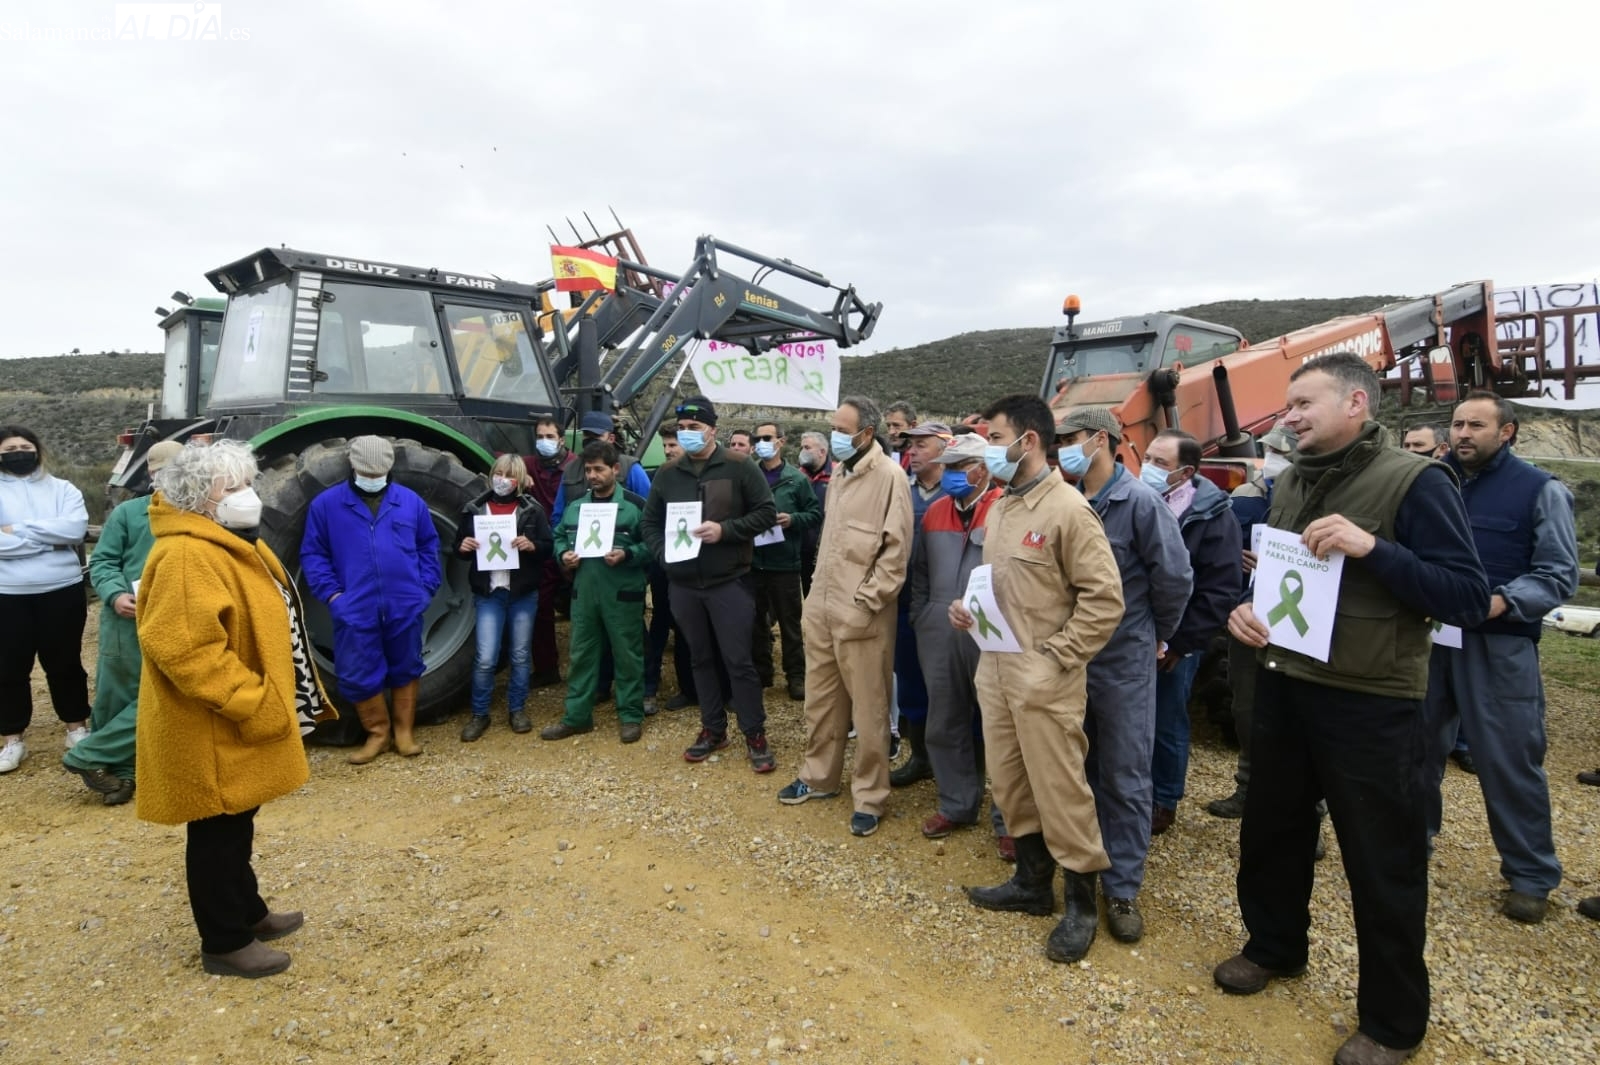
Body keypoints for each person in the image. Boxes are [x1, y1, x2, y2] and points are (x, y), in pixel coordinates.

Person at [1214, 353, 1488, 1065]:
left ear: (1356, 404)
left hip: (1370, 701)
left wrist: (1373, 548)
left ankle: (1393, 1021)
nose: (1291, 414)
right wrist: (1248, 613)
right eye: (1288, 403)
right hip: (1284, 684)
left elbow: (1462, 594)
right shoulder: (1290, 481)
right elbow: (1284, 583)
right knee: (1271, 830)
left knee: (1381, 860)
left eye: (1305, 401)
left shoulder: (1415, 481)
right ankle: (1274, 946)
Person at [136, 440, 335, 978]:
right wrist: (251, 699)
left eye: (248, 483)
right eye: (234, 487)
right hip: (213, 723)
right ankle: (224, 941)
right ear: (202, 499)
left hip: (229, 723)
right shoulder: (185, 555)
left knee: (237, 820)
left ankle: (249, 911)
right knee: (217, 833)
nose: (248, 495)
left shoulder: (223, 539)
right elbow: (185, 649)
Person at [954, 393, 1124, 965]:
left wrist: (1058, 656)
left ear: (1029, 441)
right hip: (995, 669)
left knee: (1061, 788)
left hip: (1045, 676)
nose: (988, 450)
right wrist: (969, 611)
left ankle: (1079, 901)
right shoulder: (1001, 506)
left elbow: (1104, 601)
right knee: (1009, 780)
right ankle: (1031, 885)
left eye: (996, 438)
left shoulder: (1069, 511)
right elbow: (1004, 587)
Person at [1422, 391, 1577, 924]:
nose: (1463, 434)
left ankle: (1530, 874)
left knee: (1509, 758)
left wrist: (1500, 602)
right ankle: (1409, 848)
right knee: (1413, 750)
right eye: (1458, 424)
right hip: (1429, 638)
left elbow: (1559, 574)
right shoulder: (1430, 480)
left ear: (1505, 432)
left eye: (1477, 426)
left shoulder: (1540, 490)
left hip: (1499, 642)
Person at [1055, 407, 1192, 944]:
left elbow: (1174, 577)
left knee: (1125, 771)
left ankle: (1123, 886)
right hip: (1069, 654)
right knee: (1074, 766)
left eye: (1069, 438)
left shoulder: (1138, 502)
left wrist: (1155, 634)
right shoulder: (1065, 501)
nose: (1061, 446)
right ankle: (1079, 870)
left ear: (1101, 441)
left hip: (1122, 657)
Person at [777, 396, 913, 837]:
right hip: (823, 607)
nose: (835, 436)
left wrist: (867, 601)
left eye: (842, 428)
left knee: (870, 711)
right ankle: (820, 776)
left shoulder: (890, 478)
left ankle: (870, 796)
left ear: (866, 434)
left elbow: (895, 553)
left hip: (863, 615)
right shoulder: (839, 473)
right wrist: (817, 600)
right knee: (821, 700)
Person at [641, 395, 778, 771]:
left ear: (712, 430)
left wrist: (726, 530)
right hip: (684, 584)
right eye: (681, 429)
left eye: (694, 429)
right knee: (700, 658)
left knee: (739, 661)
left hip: (729, 582)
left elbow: (765, 512)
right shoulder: (668, 474)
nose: (686, 435)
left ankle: (755, 733)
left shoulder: (739, 466)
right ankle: (712, 728)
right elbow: (650, 522)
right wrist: (662, 553)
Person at [300, 435, 441, 764]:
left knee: (407, 665)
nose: (373, 478)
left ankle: (404, 732)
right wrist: (334, 597)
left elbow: (428, 547)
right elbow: (314, 554)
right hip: (354, 606)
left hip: (404, 602)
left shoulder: (410, 502)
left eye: (379, 473)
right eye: (367, 471)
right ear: (353, 465)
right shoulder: (327, 505)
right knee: (358, 671)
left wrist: (425, 589)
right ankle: (378, 733)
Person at [62, 440, 184, 803]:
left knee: (165, 694)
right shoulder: (129, 514)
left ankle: (91, 755)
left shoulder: (200, 514)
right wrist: (115, 595)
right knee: (119, 694)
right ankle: (124, 771)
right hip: (127, 618)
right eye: (167, 471)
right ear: (151, 472)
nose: (175, 479)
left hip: (176, 618)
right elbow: (102, 562)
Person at [1145, 429, 1242, 833]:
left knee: (1167, 718)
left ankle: (1164, 798)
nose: (1147, 469)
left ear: (1185, 473)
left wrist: (1179, 644)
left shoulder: (1213, 515)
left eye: (1159, 464)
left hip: (1174, 643)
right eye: (1146, 458)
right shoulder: (1139, 501)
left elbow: (1219, 590)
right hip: (1133, 634)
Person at [908, 433, 1004, 840]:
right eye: (946, 466)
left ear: (982, 469)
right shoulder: (934, 512)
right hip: (939, 627)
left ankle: (1011, 820)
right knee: (944, 719)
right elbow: (921, 572)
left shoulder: (1005, 508)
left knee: (1002, 726)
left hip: (994, 630)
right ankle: (957, 804)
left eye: (957, 466)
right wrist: (922, 615)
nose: (948, 474)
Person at [1207, 422, 1296, 819]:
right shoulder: (1245, 497)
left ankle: (1306, 806)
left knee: (1298, 715)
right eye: (1273, 451)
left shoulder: (1324, 499)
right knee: (1246, 707)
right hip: (1248, 616)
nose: (1276, 459)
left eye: (1285, 453)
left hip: (1297, 621)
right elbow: (1228, 549)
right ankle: (1248, 787)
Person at [545, 442, 651, 743]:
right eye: (588, 470)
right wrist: (563, 555)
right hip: (585, 593)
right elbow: (559, 537)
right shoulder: (576, 506)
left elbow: (654, 545)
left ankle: (630, 715)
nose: (592, 475)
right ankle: (576, 717)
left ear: (615, 470)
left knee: (628, 655)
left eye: (599, 469)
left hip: (623, 593)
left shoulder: (634, 505)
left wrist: (628, 555)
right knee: (581, 655)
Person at [0, 426, 91, 774]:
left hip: (61, 589)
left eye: (26, 446)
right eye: (10, 447)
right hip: (7, 595)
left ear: (37, 450)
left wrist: (14, 530)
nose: (19, 451)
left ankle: (76, 728)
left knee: (65, 662)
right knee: (9, 667)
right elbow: (59, 534)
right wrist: (45, 536)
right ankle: (12, 739)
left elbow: (72, 530)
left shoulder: (63, 489)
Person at [452, 454, 554, 742]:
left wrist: (532, 545)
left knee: (521, 655)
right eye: (498, 473)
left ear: (519, 479)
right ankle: (479, 713)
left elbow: (548, 547)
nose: (502, 479)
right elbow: (456, 547)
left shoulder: (531, 510)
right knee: (485, 657)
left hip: (522, 593)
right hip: (489, 593)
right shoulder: (474, 509)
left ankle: (517, 709)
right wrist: (464, 546)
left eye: (509, 475)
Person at [889, 422, 951, 789]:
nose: (912, 452)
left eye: (922, 446)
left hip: (945, 605)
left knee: (948, 686)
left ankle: (954, 762)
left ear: (945, 449)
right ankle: (921, 756)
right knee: (911, 681)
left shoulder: (959, 491)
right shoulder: (901, 491)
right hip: (904, 601)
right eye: (910, 446)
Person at [749, 421, 822, 702]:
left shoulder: (796, 479)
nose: (762, 442)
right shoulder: (749, 475)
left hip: (785, 565)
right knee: (756, 623)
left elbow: (814, 514)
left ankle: (796, 676)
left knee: (790, 626)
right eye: (758, 438)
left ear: (781, 441)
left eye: (767, 437)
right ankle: (761, 673)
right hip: (754, 564)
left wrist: (793, 520)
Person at [526, 416, 571, 689]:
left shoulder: (576, 466)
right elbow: (501, 462)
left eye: (549, 437)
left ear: (561, 439)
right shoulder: (528, 464)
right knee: (541, 607)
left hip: (570, 543)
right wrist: (520, 472)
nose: (544, 442)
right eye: (540, 437)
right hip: (543, 546)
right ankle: (546, 667)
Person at [550, 411, 651, 527]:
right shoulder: (570, 469)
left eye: (597, 435)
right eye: (587, 435)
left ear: (611, 438)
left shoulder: (630, 467)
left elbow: (649, 511)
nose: (591, 440)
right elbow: (558, 516)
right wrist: (563, 543)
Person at [797, 430, 832, 595]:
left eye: (807, 447)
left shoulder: (837, 476)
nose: (802, 452)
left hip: (828, 552)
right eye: (801, 448)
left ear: (822, 452)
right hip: (803, 551)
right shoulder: (797, 477)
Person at [884, 401, 918, 470]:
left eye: (897, 426)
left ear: (913, 426)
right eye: (888, 426)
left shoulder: (923, 458)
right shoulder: (882, 454)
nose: (891, 432)